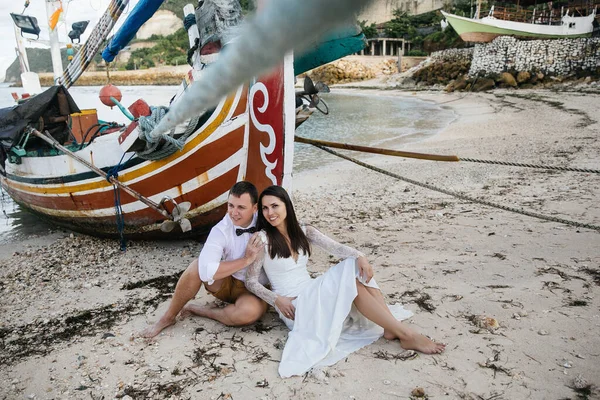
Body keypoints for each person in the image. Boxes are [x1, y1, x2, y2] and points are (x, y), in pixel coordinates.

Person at [245, 185, 445, 377]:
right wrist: (277, 300)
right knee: (351, 274)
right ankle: (403, 333)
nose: (270, 212)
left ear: (286, 205)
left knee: (354, 268)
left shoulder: (304, 230)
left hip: (312, 291)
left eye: (274, 206)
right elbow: (251, 281)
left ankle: (392, 328)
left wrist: (361, 255)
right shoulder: (261, 240)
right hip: (294, 305)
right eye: (265, 208)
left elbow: (337, 248)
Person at [140, 181, 269, 338]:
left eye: (241, 207)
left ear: (255, 208)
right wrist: (245, 260)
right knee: (197, 266)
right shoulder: (221, 229)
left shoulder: (266, 221)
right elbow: (207, 271)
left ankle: (199, 310)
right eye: (230, 206)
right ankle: (168, 318)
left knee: (248, 314)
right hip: (228, 283)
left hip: (254, 290)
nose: (234, 213)